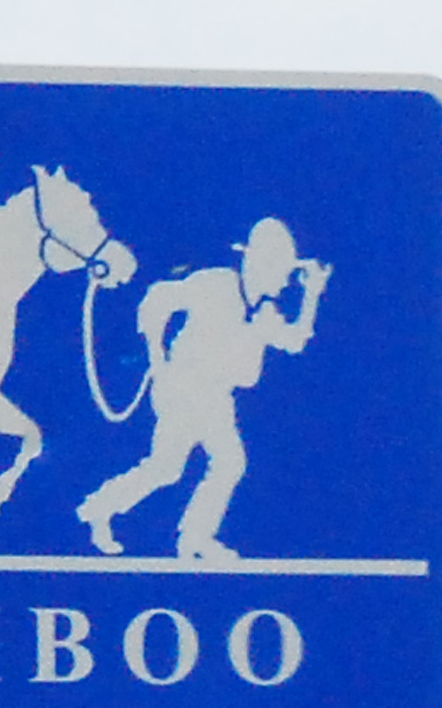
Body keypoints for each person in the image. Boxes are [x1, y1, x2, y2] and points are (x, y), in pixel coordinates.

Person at [77, 216, 329, 561]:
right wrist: (157, 357)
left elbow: (296, 341)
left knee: (208, 465)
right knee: (179, 467)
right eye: (282, 270)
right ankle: (108, 513)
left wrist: (312, 294)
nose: (286, 281)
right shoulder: (217, 285)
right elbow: (157, 300)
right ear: (260, 264)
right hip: (183, 388)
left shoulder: (265, 312)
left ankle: (187, 537)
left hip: (216, 397)